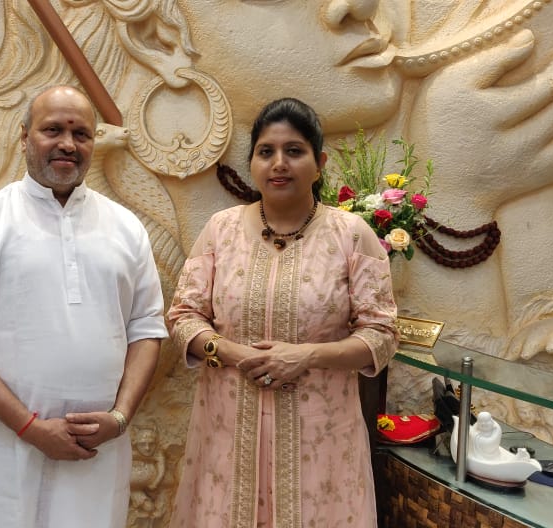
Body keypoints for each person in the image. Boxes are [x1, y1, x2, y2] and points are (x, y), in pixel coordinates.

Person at [0, 85, 167, 527]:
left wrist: (120, 417)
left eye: (81, 133)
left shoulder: (126, 228)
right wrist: (30, 428)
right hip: (2, 452)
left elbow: (147, 329)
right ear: (24, 137)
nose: (67, 143)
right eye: (52, 129)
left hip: (96, 455)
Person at [166, 98, 398, 527]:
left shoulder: (352, 235)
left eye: (294, 151)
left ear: (319, 162)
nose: (279, 164)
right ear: (252, 161)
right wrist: (235, 353)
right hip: (227, 433)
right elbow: (183, 317)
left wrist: (306, 356)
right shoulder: (221, 230)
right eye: (266, 151)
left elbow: (381, 334)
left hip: (321, 439)